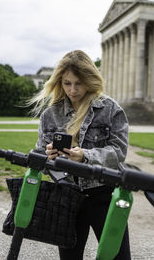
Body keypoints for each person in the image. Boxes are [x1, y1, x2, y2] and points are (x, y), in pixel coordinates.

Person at [28, 50, 131, 260]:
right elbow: (38, 155)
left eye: (79, 83)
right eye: (67, 83)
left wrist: (86, 156)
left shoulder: (110, 109)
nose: (73, 90)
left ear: (89, 80)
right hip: (67, 195)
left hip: (104, 194)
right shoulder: (50, 114)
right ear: (60, 82)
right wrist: (47, 155)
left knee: (119, 256)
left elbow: (119, 152)